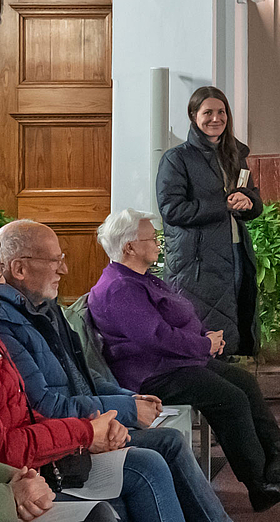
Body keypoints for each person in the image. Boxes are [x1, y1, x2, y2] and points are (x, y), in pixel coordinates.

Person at [88, 209, 280, 512]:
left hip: (173, 362)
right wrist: (202, 344)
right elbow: (156, 335)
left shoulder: (137, 278)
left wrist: (206, 338)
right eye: (152, 238)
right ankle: (260, 484)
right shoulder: (119, 287)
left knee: (244, 381)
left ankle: (279, 455)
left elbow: (175, 317)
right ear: (129, 247)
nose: (158, 243)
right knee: (229, 397)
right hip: (150, 373)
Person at [0, 221, 231, 521]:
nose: (64, 270)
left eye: (63, 258)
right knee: (148, 466)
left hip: (77, 428)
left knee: (171, 438)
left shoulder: (45, 307)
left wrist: (128, 399)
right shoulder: (9, 325)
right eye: (55, 261)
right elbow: (43, 408)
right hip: (57, 450)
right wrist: (107, 421)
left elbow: (83, 377)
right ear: (19, 269)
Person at [156, 86, 263, 356]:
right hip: (198, 262)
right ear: (193, 115)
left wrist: (249, 204)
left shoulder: (235, 156)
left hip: (236, 251)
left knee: (234, 321)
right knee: (205, 330)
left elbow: (252, 198)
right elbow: (172, 209)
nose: (216, 118)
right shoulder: (177, 158)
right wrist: (223, 205)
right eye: (208, 112)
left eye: (221, 112)